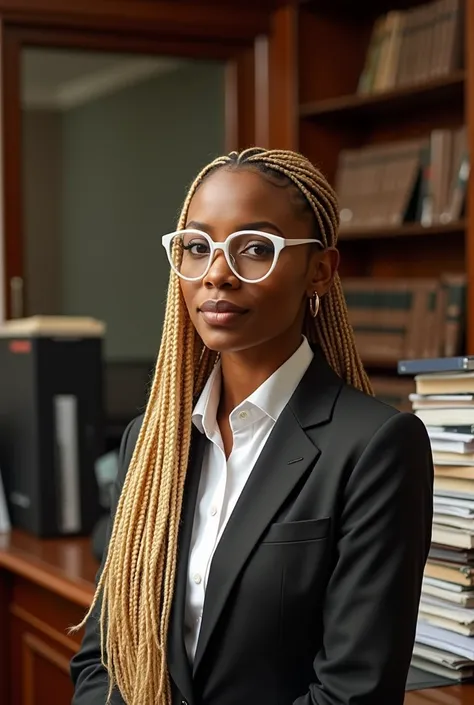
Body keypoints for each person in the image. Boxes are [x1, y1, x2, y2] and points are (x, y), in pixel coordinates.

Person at [70, 147, 433, 705]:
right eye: (198, 247)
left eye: (256, 249)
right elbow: (104, 658)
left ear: (320, 270)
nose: (217, 273)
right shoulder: (151, 440)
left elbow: (352, 693)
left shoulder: (375, 448)